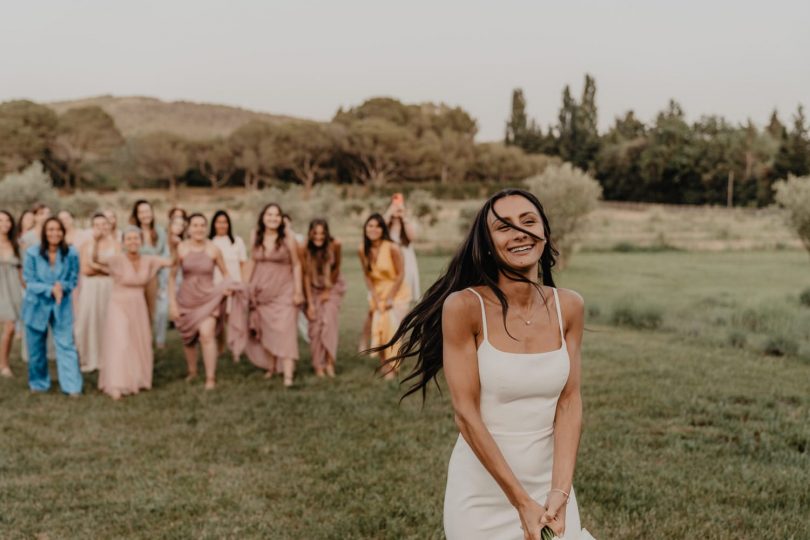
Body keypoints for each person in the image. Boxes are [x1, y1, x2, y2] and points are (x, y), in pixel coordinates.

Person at [376, 189, 594, 540]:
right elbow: (466, 413)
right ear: (488, 244)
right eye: (504, 227)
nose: (520, 232)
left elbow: (569, 401)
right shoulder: (464, 307)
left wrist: (560, 491)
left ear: (545, 232)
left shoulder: (569, 306)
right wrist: (521, 502)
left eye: (528, 221)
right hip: (482, 491)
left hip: (551, 486)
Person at [98, 226, 172, 400]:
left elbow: (172, 261)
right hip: (118, 303)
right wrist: (97, 239)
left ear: (141, 241)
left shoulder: (149, 259)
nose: (133, 242)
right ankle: (116, 383)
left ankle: (136, 378)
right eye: (129, 239)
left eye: (136, 238)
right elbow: (97, 259)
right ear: (123, 243)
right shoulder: (116, 259)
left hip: (138, 304)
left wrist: (173, 244)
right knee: (120, 341)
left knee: (137, 341)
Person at [239, 203, 303, 387]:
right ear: (263, 217)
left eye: (276, 215)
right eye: (269, 214)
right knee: (266, 329)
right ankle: (272, 367)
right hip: (262, 292)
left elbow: (297, 264)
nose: (273, 218)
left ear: (281, 219)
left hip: (284, 290)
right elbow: (252, 261)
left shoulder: (288, 238)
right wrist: (244, 286)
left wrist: (298, 291)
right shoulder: (255, 236)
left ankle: (288, 375)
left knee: (286, 331)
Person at [169, 213, 234, 390]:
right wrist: (172, 303)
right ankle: (192, 372)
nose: (199, 229)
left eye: (202, 225)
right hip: (186, 299)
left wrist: (227, 287)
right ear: (189, 228)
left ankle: (210, 378)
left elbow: (226, 273)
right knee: (188, 337)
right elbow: (172, 277)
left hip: (208, 298)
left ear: (206, 228)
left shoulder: (213, 249)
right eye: (195, 225)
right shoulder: (181, 248)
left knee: (206, 334)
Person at [21, 217, 82, 395]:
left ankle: (72, 386)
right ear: (44, 233)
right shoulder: (32, 253)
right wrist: (50, 289)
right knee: (36, 349)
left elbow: (73, 278)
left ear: (63, 232)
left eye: (58, 230)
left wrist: (61, 287)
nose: (54, 233)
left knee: (66, 344)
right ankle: (39, 383)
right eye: (50, 230)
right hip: (36, 305)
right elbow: (29, 281)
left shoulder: (71, 253)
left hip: (61, 305)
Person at [358, 213, 411, 380]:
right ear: (365, 228)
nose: (373, 229)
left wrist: (390, 297)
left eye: (377, 226)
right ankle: (384, 363)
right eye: (370, 226)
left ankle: (393, 365)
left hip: (397, 292)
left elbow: (401, 274)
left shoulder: (392, 247)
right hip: (377, 291)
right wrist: (374, 296)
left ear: (383, 229)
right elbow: (367, 275)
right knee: (379, 327)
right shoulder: (362, 249)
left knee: (392, 329)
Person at [75, 213, 119, 372]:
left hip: (109, 287)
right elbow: (85, 270)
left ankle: (108, 357)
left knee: (107, 320)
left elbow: (118, 270)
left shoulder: (116, 244)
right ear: (93, 227)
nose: (102, 228)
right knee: (90, 318)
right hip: (92, 287)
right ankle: (89, 356)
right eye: (97, 225)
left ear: (110, 225)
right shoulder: (87, 244)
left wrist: (97, 267)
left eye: (104, 224)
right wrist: (104, 269)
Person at [303, 219, 345, 378]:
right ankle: (317, 364)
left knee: (329, 323)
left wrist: (328, 290)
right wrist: (309, 304)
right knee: (315, 327)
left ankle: (329, 363)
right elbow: (305, 276)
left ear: (327, 233)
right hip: (313, 288)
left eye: (322, 233)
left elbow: (336, 269)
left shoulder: (335, 245)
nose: (318, 237)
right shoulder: (304, 249)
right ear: (310, 233)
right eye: (315, 233)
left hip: (332, 286)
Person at [129, 200, 169, 347]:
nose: (145, 215)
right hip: (136, 278)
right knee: (139, 312)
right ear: (137, 214)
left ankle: (159, 341)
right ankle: (140, 341)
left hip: (156, 277)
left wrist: (153, 262)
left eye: (147, 211)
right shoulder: (132, 232)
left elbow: (165, 256)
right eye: (141, 212)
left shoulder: (159, 231)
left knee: (159, 311)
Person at [384, 194, 421, 301]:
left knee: (406, 281)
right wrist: (390, 212)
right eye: (394, 204)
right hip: (389, 256)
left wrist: (404, 217)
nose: (397, 208)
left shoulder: (408, 221)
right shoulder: (386, 222)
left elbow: (412, 237)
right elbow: (380, 226)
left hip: (406, 257)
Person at [0, 210, 23, 377]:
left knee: (10, 328)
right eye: (1, 220)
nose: (5, 224)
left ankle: (4, 364)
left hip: (12, 290)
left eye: (8, 220)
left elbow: (22, 272)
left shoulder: (16, 244)